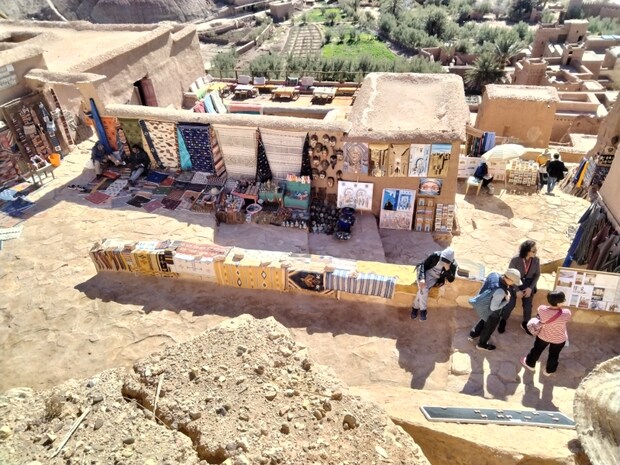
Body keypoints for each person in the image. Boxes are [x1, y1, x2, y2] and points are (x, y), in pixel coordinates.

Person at [468, 268, 522, 351]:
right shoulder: (500, 292)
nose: (514, 284)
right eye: (514, 282)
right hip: (492, 312)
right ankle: (481, 344)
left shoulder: (494, 275)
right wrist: (506, 300)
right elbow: (493, 307)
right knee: (489, 327)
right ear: (509, 280)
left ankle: (473, 334)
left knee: (484, 319)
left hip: (483, 306)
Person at [520, 290, 571, 376]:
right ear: (560, 303)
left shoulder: (542, 309)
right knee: (554, 355)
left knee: (537, 350)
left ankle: (530, 364)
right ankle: (549, 371)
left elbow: (541, 314)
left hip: (543, 336)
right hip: (559, 339)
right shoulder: (567, 313)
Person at [499, 240, 541, 335]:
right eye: (533, 251)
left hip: (528, 284)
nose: (535, 252)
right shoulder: (515, 260)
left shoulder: (536, 260)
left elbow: (537, 275)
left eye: (536, 250)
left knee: (528, 306)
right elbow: (510, 276)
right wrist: (516, 290)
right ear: (527, 251)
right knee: (510, 304)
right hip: (515, 282)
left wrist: (530, 288)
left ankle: (526, 323)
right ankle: (503, 320)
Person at [411, 247, 458, 321]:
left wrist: (448, 270)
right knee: (424, 288)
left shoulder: (453, 265)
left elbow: (451, 279)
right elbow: (422, 265)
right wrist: (422, 278)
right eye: (442, 259)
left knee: (422, 290)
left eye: (445, 260)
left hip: (435, 278)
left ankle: (415, 308)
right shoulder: (435, 255)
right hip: (426, 273)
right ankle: (423, 310)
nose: (443, 261)